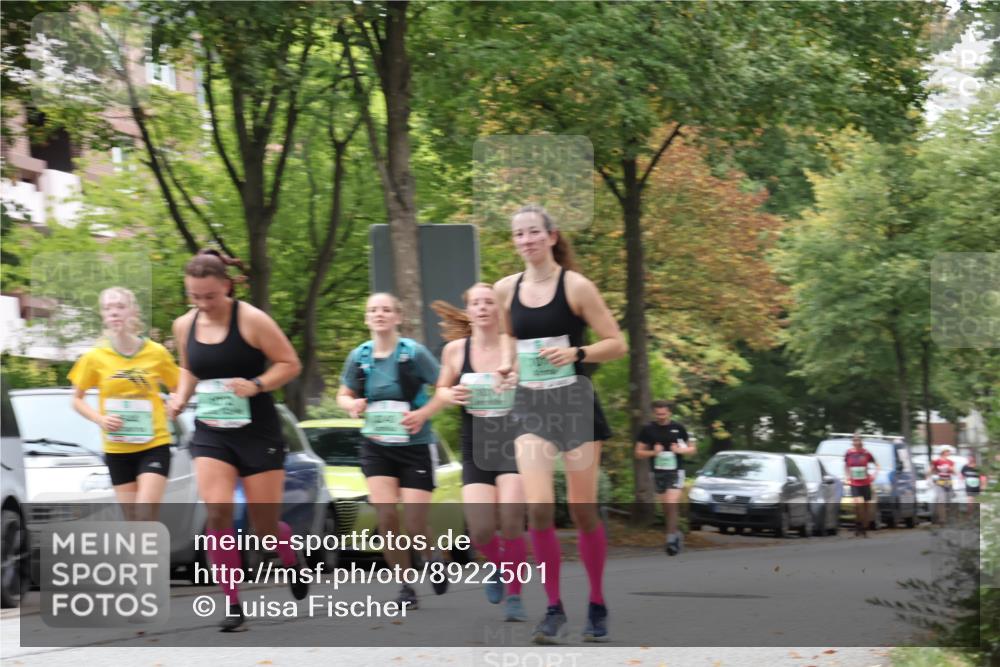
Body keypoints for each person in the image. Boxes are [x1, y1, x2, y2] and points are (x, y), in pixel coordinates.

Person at [494, 205, 627, 644]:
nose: (526, 240)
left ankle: (596, 601)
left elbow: (616, 344)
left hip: (574, 404)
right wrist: (507, 367)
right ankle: (553, 607)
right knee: (539, 509)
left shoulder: (576, 287)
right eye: (519, 234)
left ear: (551, 236)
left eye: (534, 232)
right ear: (514, 241)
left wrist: (577, 354)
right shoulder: (504, 290)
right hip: (531, 407)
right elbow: (508, 338)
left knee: (583, 510)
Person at [166, 249, 307, 632]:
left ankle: (289, 557)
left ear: (226, 286)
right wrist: (179, 398)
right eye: (194, 296)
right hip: (212, 431)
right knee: (217, 512)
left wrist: (257, 384)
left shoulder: (252, 320)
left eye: (209, 296)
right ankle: (232, 603)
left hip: (257, 431)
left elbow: (290, 364)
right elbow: (188, 367)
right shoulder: (184, 325)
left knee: (264, 526)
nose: (202, 304)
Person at [336, 292, 452, 610]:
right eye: (373, 310)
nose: (380, 314)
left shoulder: (413, 353)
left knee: (414, 523)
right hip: (377, 446)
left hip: (414, 446)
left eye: (386, 309)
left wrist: (423, 413)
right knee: (386, 517)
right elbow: (343, 394)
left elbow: (444, 387)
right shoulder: (359, 356)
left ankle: (432, 557)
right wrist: (352, 404)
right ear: (366, 318)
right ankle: (405, 585)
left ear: (398, 317)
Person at [433, 284, 528, 622]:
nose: (483, 308)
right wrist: (451, 394)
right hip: (476, 444)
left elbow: (541, 386)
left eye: (490, 302)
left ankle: (515, 596)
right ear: (469, 311)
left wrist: (519, 381)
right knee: (481, 530)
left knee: (512, 522)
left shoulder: (515, 347)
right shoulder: (455, 351)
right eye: (476, 303)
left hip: (513, 442)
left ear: (499, 309)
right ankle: (498, 566)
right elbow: (441, 389)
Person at [70, 287, 179, 522]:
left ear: (133, 311)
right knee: (133, 520)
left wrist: (174, 402)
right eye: (108, 308)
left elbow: (178, 387)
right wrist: (99, 419)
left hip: (153, 443)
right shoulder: (95, 356)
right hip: (117, 449)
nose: (114, 313)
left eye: (120, 307)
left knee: (145, 511)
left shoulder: (156, 353)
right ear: (103, 315)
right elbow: (76, 400)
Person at [634, 401, 697, 555]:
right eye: (658, 414)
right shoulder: (648, 429)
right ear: (655, 413)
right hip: (658, 472)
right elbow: (638, 453)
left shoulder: (679, 428)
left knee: (671, 502)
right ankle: (676, 534)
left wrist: (679, 450)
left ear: (669, 413)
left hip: (676, 471)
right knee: (666, 508)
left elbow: (692, 449)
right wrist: (653, 453)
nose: (660, 417)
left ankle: (670, 541)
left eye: (663, 414)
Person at [843, 433, 878, 537]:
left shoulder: (866, 453)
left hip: (865, 483)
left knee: (866, 507)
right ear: (852, 442)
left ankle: (864, 528)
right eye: (855, 440)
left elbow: (877, 465)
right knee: (858, 505)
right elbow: (846, 466)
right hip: (854, 483)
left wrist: (873, 475)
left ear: (861, 442)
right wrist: (847, 476)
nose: (857, 442)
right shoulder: (849, 453)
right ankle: (858, 526)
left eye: (858, 440)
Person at [931, 446, 957, 524]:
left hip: (948, 482)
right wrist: (930, 477)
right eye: (947, 451)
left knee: (948, 501)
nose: (949, 453)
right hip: (940, 482)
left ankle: (948, 517)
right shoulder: (936, 461)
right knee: (941, 501)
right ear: (943, 452)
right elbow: (932, 470)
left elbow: (954, 472)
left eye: (949, 451)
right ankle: (942, 519)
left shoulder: (950, 462)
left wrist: (951, 469)